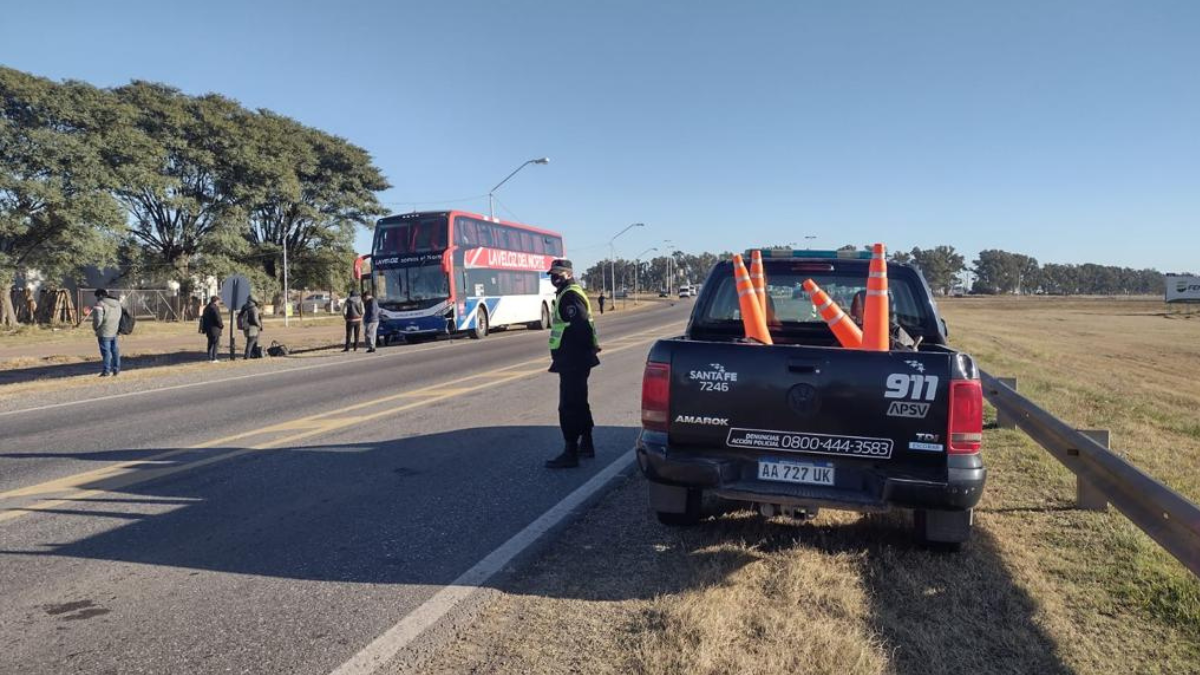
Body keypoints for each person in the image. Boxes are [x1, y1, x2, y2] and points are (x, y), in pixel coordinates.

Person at [544, 259, 601, 469]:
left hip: (573, 359)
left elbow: (582, 325)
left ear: (568, 274)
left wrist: (585, 349)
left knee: (568, 406)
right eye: (551, 274)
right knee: (579, 402)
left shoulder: (569, 295)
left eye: (557, 274)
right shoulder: (568, 293)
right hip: (576, 358)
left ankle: (571, 451)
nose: (553, 277)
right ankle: (586, 444)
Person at [92, 288, 123, 377]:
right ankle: (116, 369)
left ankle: (106, 371)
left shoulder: (100, 304)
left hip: (104, 332)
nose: (97, 298)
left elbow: (98, 320)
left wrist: (95, 328)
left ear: (100, 295)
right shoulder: (117, 304)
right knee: (115, 351)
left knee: (106, 352)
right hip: (115, 330)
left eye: (97, 296)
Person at [200, 296, 224, 362]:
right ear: (216, 301)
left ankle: (210, 357)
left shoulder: (206, 308)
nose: (219, 303)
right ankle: (214, 358)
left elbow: (203, 318)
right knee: (216, 343)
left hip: (208, 328)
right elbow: (218, 318)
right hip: (215, 328)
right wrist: (221, 325)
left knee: (210, 343)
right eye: (218, 301)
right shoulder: (215, 308)